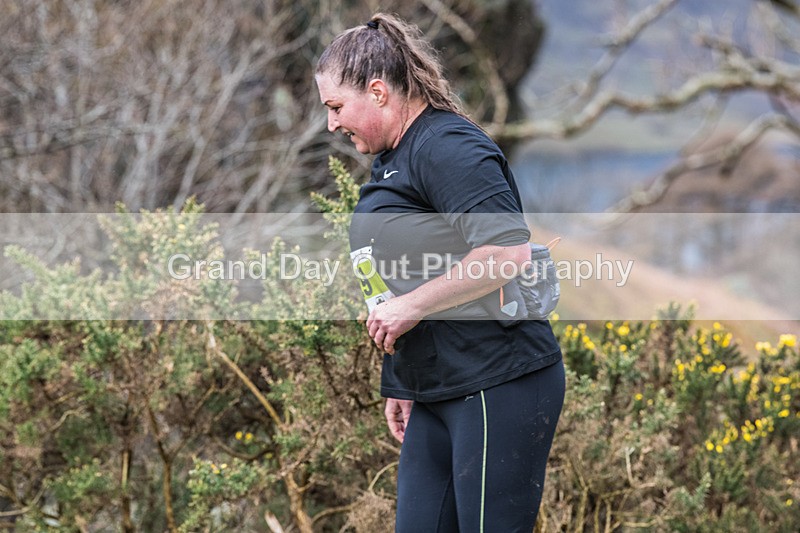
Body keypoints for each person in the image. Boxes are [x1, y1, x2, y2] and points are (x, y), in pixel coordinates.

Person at [315, 13, 565, 533]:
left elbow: (506, 252)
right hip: (436, 389)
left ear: (379, 92)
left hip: (499, 380)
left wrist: (409, 308)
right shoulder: (392, 157)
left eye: (337, 107)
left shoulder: (447, 147)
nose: (332, 124)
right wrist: (404, 378)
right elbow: (408, 271)